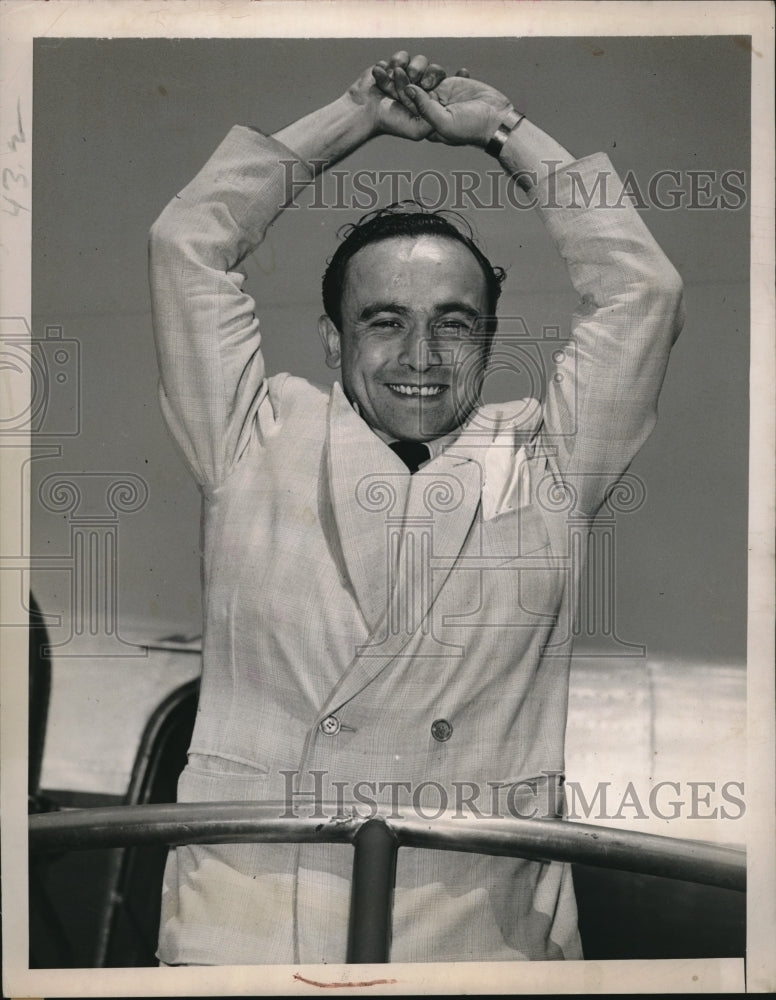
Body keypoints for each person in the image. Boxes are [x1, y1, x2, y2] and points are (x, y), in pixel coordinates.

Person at [148, 51, 684, 965]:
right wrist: (351, 121)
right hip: (248, 928)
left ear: (488, 340)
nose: (421, 353)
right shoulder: (251, 432)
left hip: (475, 934)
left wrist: (507, 137)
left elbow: (645, 291)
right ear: (333, 337)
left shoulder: (548, 458)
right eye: (385, 319)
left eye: (455, 321)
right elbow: (186, 240)